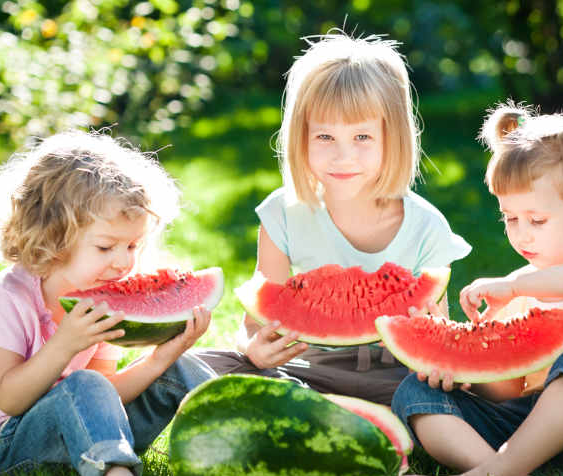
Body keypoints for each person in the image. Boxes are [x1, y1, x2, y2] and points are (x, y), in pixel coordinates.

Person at [391, 100, 563, 476]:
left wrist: (518, 287)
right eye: (509, 218)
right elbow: (509, 388)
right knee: (413, 393)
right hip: (525, 432)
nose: (522, 233)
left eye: (536, 220)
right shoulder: (518, 286)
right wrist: (462, 374)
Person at [198, 31, 471, 405]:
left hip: (398, 375)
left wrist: (438, 361)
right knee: (198, 365)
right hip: (307, 369)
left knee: (454, 392)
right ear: (300, 137)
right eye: (325, 136)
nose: (344, 156)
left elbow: (435, 330)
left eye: (362, 137)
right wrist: (253, 349)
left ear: (393, 139)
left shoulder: (426, 227)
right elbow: (256, 323)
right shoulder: (282, 214)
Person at [0, 130, 216, 476]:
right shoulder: (2, 299)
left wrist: (163, 358)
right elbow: (9, 399)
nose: (122, 263)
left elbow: (106, 394)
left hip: (87, 431)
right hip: (6, 446)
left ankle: (245, 444)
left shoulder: (104, 298)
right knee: (83, 384)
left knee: (179, 368)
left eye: (132, 246)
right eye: (105, 247)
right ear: (53, 236)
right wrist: (64, 344)